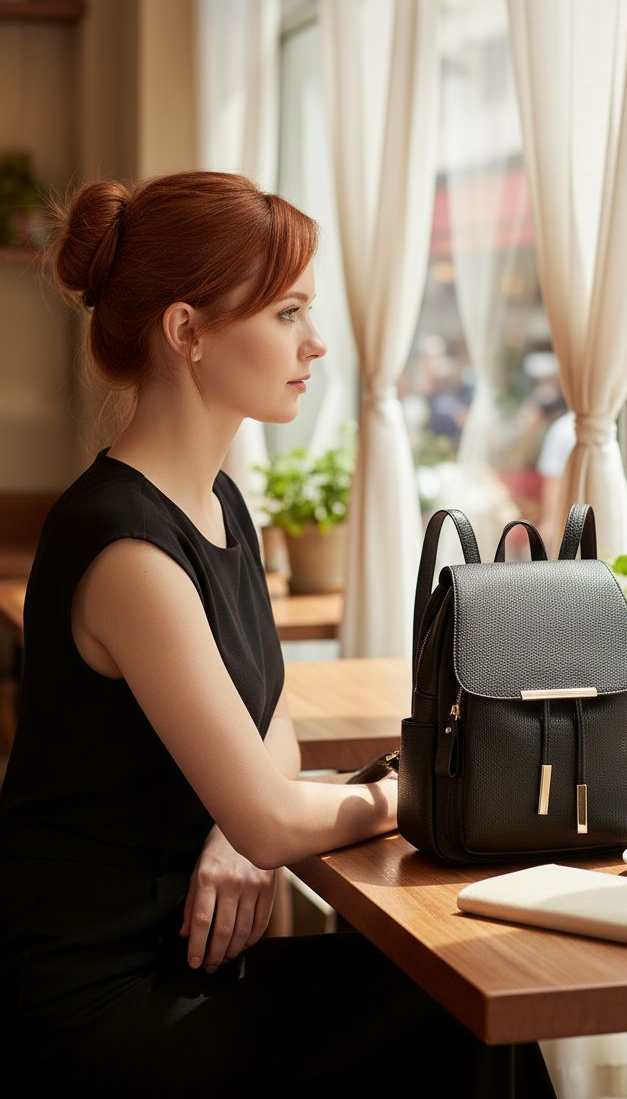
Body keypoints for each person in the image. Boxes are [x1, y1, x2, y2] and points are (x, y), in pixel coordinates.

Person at [0, 172, 556, 1097]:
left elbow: (270, 716)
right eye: (288, 311)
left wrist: (243, 819)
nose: (317, 342)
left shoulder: (216, 503)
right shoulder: (126, 550)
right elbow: (270, 814)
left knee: (469, 1003)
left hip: (186, 957)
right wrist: (406, 789)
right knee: (465, 1011)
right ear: (188, 333)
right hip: (98, 997)